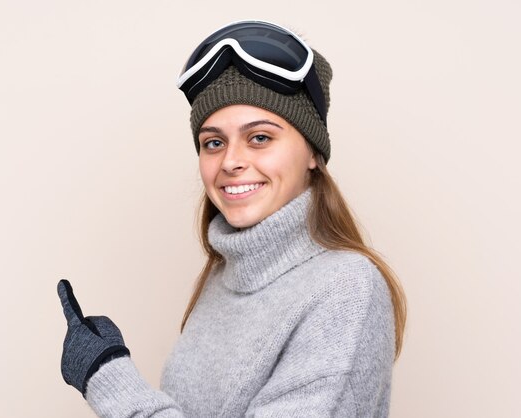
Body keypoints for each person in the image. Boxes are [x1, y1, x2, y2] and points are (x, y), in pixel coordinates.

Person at [57, 19, 407, 417]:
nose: (231, 161)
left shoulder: (346, 289)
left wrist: (107, 376)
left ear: (312, 153)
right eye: (213, 142)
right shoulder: (223, 276)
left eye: (260, 137)